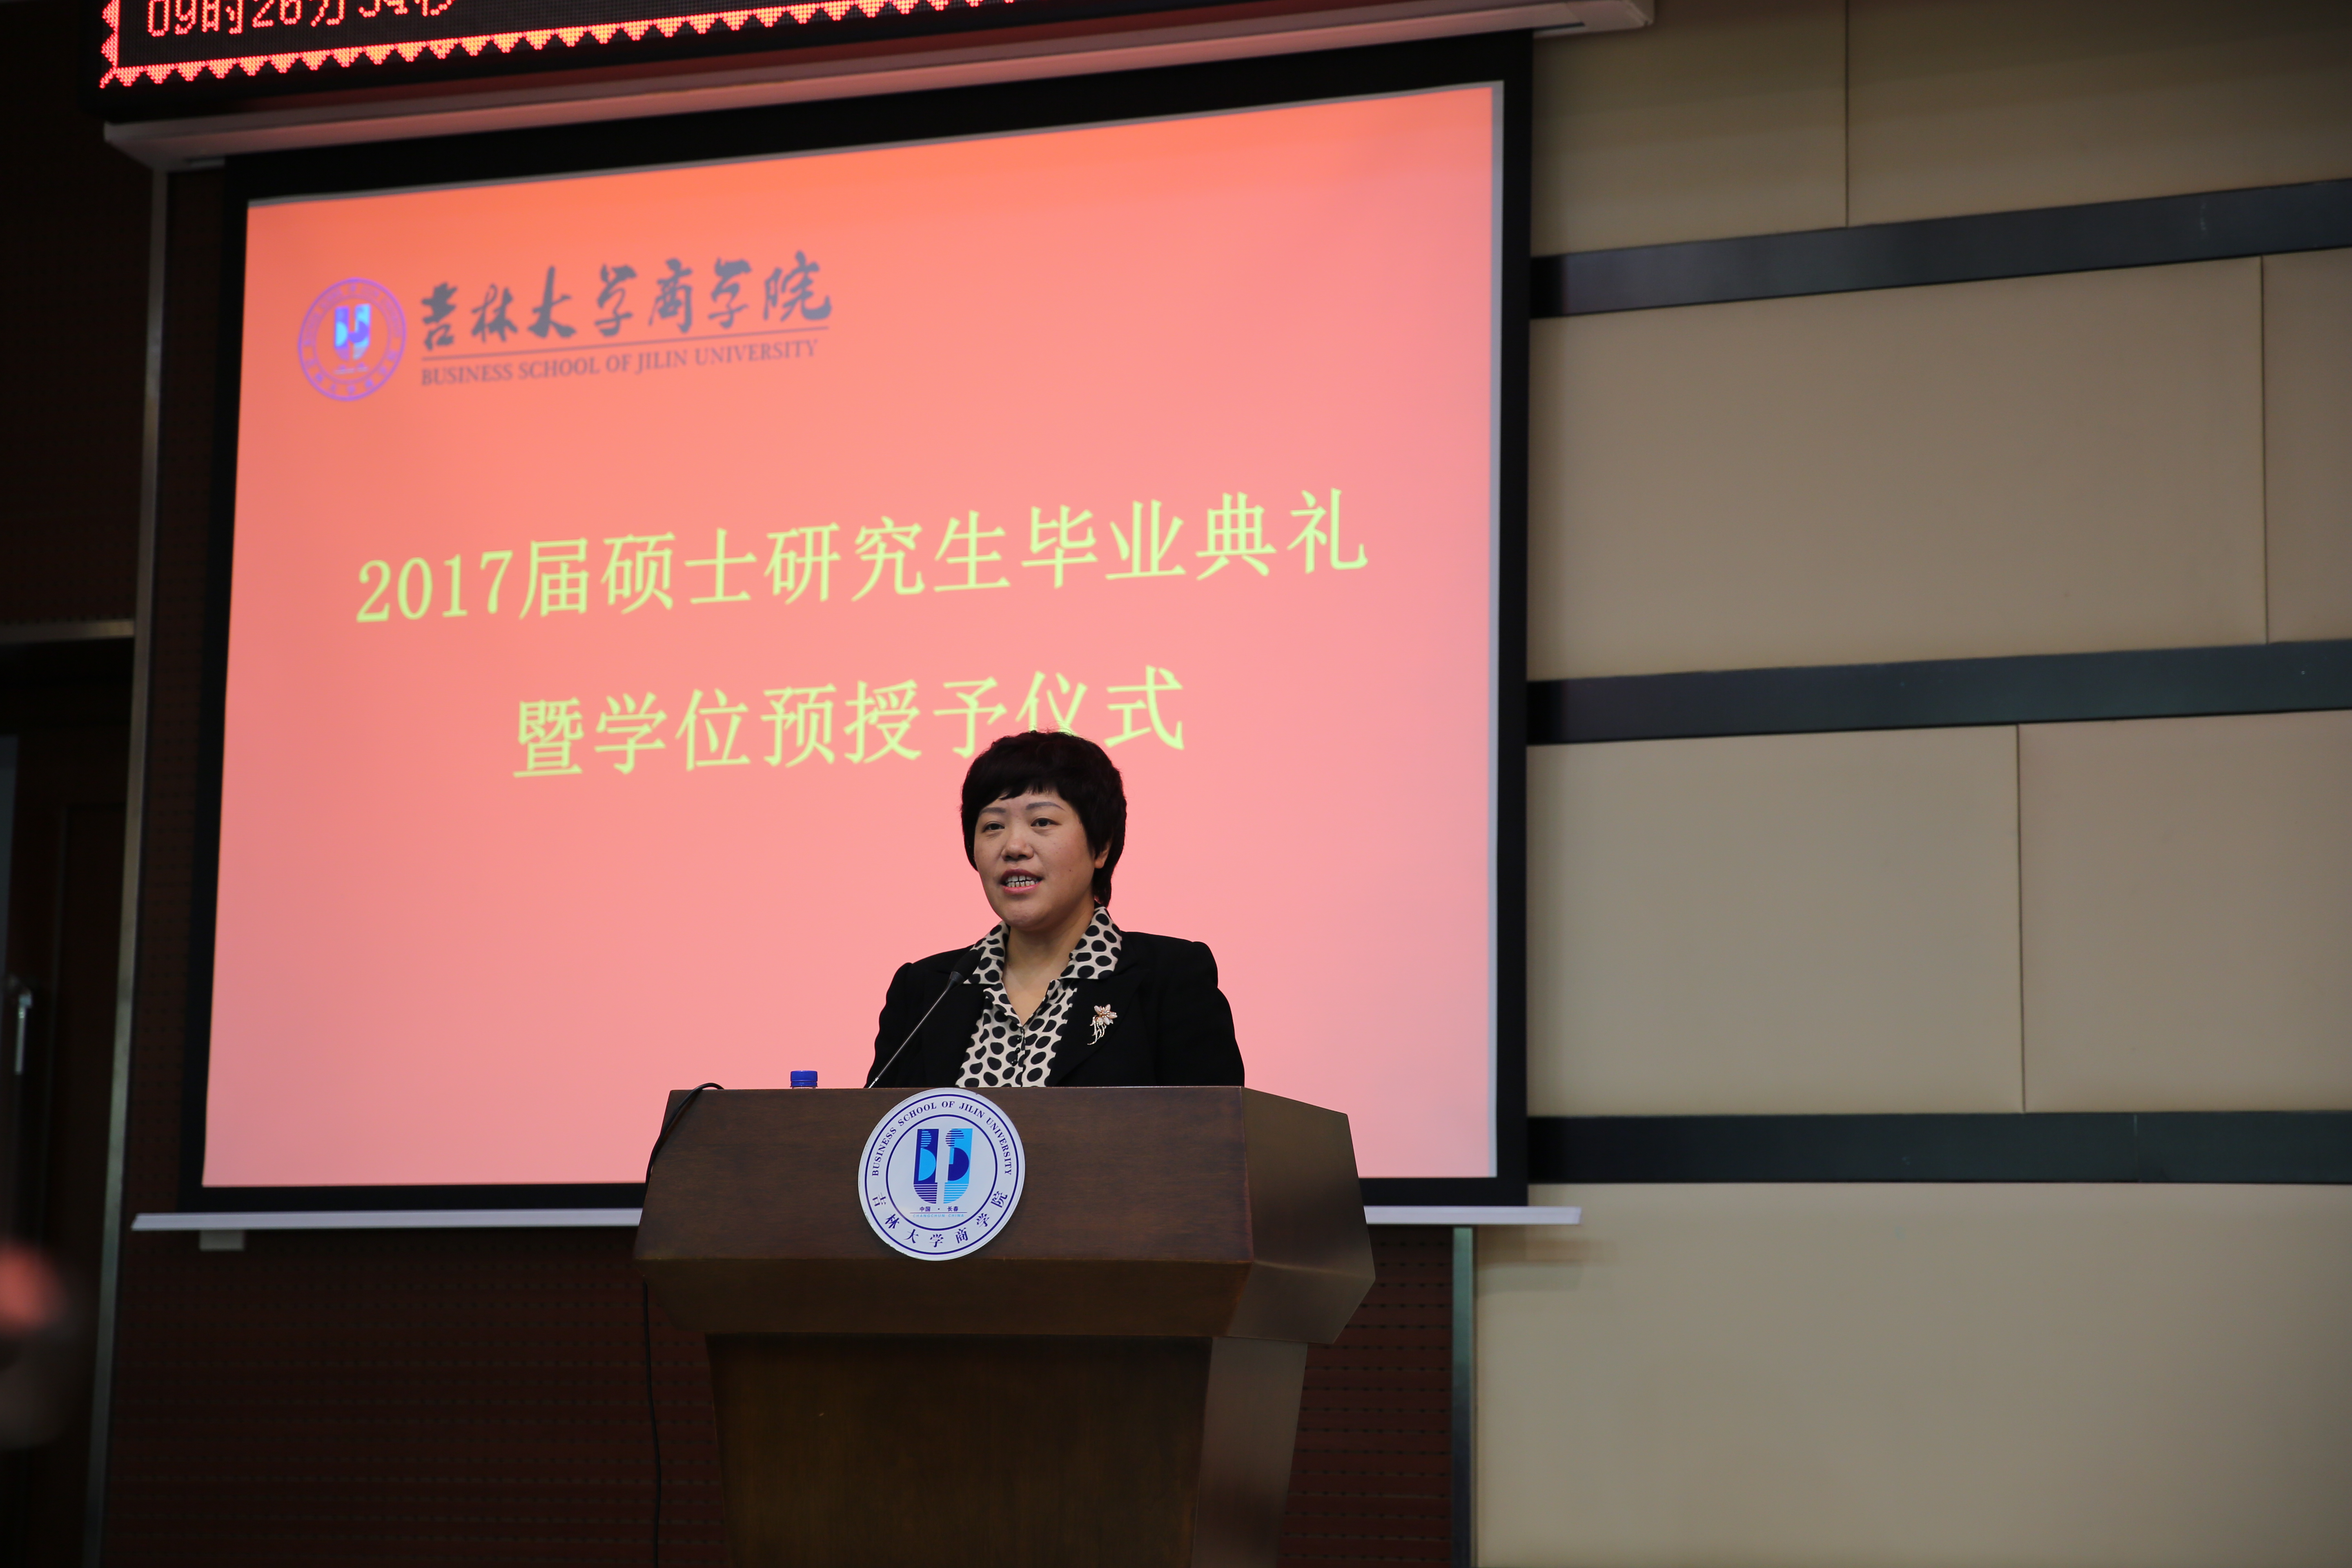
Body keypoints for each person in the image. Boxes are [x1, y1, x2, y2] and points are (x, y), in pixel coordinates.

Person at [868, 731, 1243, 1089]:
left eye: (1042, 822)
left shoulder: (1170, 979)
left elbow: (1212, 1127)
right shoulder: (927, 991)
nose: (1014, 847)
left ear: (1101, 846)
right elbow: (878, 1127)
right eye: (993, 826)